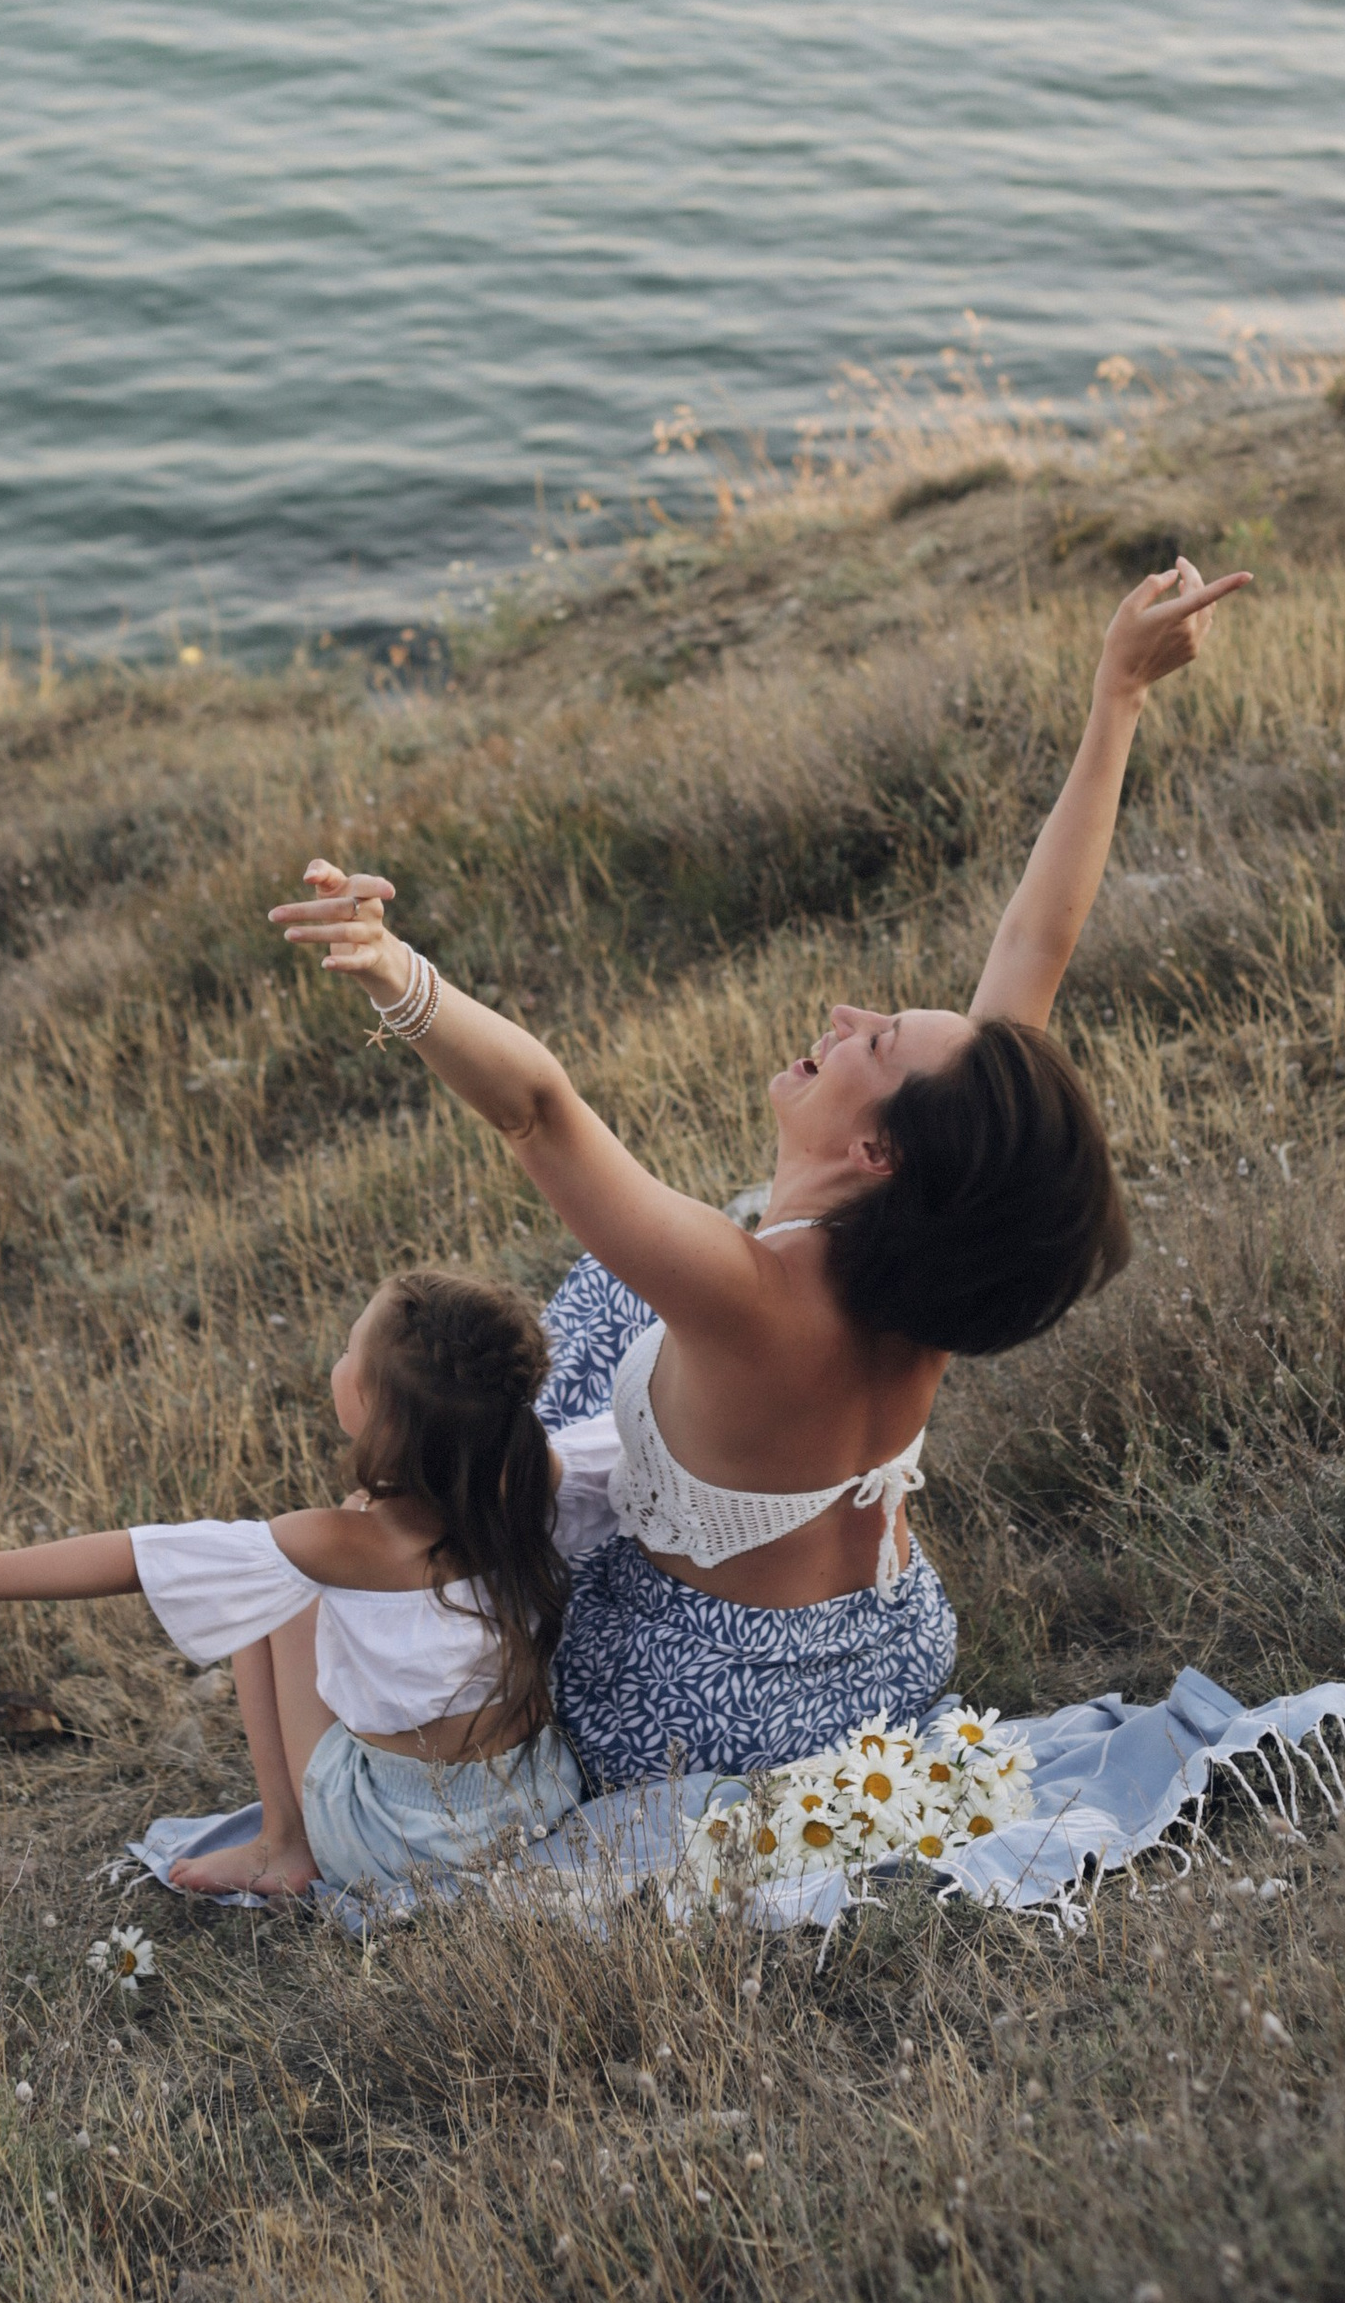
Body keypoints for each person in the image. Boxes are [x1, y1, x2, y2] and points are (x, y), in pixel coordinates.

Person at [272, 554, 1250, 1789]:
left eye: (876, 1040)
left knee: (447, 1443)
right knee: (612, 1299)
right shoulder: (951, 1225)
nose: (843, 1015)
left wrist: (392, 971)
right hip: (888, 1653)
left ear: (878, 1151)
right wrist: (1116, 698)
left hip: (695, 1708)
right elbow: (1033, 939)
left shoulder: (748, 1294)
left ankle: (305, 1792)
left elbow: (535, 1110)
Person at [0, 1269, 582, 1900]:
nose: (337, 1361)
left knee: (262, 1584)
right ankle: (289, 1837)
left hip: (398, 1840)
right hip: (537, 1801)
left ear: (383, 1417)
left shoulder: (341, 1542)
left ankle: (284, 1843)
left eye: (350, 1349)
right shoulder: (529, 1480)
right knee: (272, 1570)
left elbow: (136, 1555)